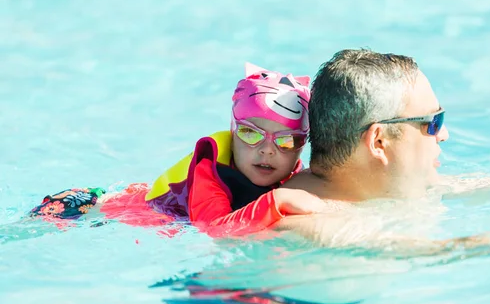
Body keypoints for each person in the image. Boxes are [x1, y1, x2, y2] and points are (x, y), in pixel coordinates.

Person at [271, 49, 490, 255]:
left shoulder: (388, 185)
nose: (444, 134)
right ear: (379, 142)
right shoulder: (303, 225)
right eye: (433, 121)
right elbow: (440, 250)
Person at [30, 63, 324, 236]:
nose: (267, 150)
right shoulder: (209, 172)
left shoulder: (291, 171)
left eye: (286, 140)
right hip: (82, 208)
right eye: (250, 134)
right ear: (232, 131)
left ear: (302, 145)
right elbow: (216, 229)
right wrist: (277, 202)